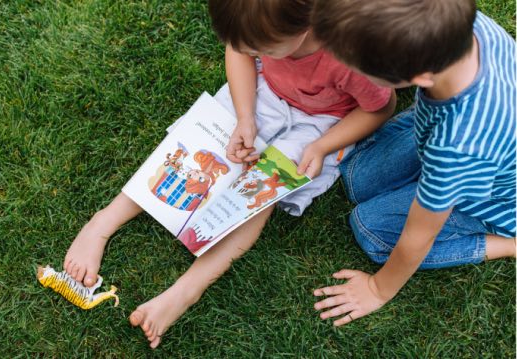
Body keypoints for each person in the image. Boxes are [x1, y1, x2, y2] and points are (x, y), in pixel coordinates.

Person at [63, 0, 395, 348]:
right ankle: (103, 222)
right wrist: (245, 116)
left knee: (262, 191)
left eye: (260, 49)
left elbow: (380, 109)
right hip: (263, 92)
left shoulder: (353, 54)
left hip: (325, 123)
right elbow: (238, 53)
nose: (249, 51)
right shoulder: (261, 30)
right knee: (194, 147)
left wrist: (323, 146)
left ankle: (186, 291)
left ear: (304, 27)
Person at [310, 0, 516, 327]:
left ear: (420, 76)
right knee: (354, 175)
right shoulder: (458, 26)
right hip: (441, 134)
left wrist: (378, 290)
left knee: (369, 228)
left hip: (487, 198)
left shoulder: (458, 147)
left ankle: (506, 243)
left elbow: (417, 237)